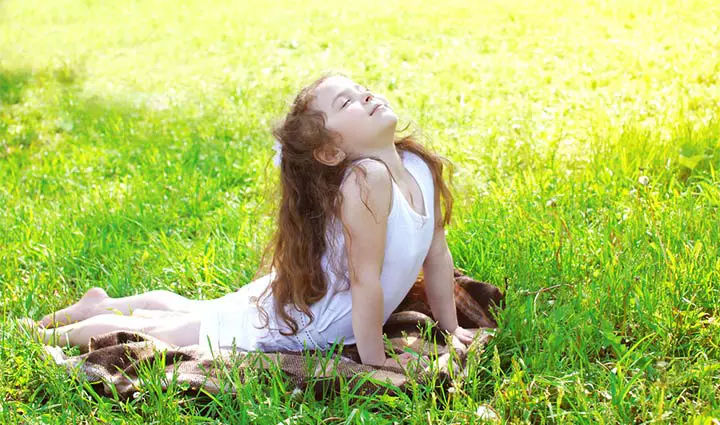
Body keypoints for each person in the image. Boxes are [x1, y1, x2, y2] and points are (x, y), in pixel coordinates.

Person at [20, 73, 480, 370]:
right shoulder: (368, 179)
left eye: (360, 91)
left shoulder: (416, 166)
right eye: (348, 104)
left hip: (305, 296)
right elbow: (364, 282)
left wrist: (451, 326)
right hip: (303, 322)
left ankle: (103, 301)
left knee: (199, 311)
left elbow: (437, 255)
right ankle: (57, 333)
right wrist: (375, 360)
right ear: (330, 152)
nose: (367, 96)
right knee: (175, 331)